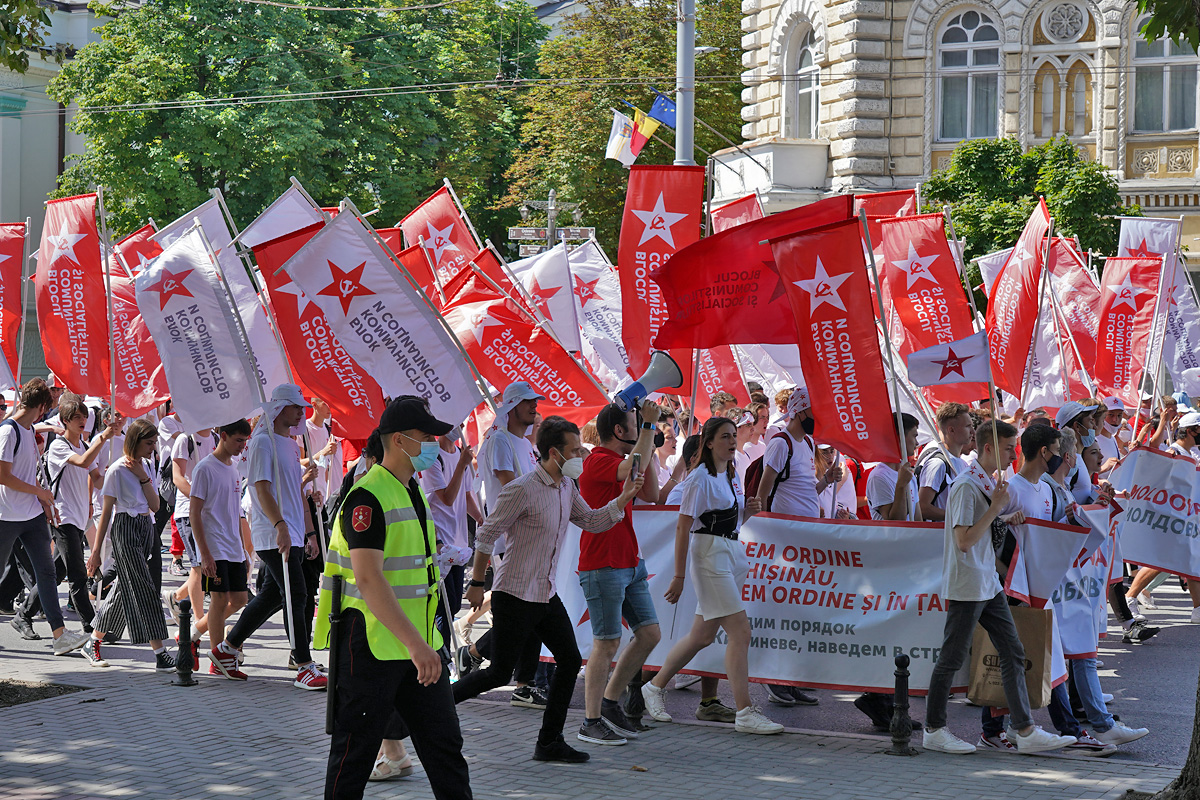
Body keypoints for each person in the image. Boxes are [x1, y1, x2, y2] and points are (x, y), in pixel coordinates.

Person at [455, 416, 643, 763]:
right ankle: (433, 707)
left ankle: (549, 742)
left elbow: (590, 521)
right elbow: (485, 535)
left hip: (545, 593)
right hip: (514, 593)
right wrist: (478, 584)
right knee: (498, 672)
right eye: (575, 450)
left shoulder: (567, 487)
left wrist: (624, 499)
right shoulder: (522, 488)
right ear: (554, 454)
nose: (582, 456)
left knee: (570, 660)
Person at [316, 397, 472, 800]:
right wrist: (417, 645)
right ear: (400, 440)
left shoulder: (412, 491)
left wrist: (428, 641)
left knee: (445, 749)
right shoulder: (366, 497)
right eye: (426, 437)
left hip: (417, 646)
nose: (433, 443)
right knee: (354, 754)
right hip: (372, 646)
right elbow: (369, 580)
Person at [922, 420, 1077, 755]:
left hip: (987, 583)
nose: (1014, 454)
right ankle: (933, 728)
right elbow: (963, 541)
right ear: (989, 447)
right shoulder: (967, 485)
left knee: (1013, 650)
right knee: (951, 658)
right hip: (967, 583)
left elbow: (981, 528)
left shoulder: (985, 481)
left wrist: (1003, 517)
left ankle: (1024, 730)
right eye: (1009, 448)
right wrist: (996, 509)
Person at [640, 416, 783, 735]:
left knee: (702, 635)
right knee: (741, 632)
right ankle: (745, 711)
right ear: (708, 442)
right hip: (709, 556)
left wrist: (749, 512)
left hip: (730, 553)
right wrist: (678, 576)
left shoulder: (730, 473)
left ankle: (654, 686)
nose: (733, 441)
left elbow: (729, 521)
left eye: (734, 436)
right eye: (725, 437)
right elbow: (683, 525)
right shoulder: (699, 478)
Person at [216, 384, 326, 690]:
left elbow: (294, 493)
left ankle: (226, 649)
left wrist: (309, 532)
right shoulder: (263, 441)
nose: (301, 412)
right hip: (273, 533)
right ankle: (303, 665)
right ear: (280, 408)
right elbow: (260, 487)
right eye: (296, 407)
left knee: (275, 595)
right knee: (297, 594)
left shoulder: (290, 444)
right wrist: (279, 525)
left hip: (290, 532)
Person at [576, 402, 663, 745]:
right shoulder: (596, 460)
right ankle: (590, 721)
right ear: (620, 431)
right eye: (636, 423)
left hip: (629, 562)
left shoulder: (625, 457)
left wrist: (649, 438)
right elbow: (628, 470)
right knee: (607, 642)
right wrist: (649, 430)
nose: (642, 425)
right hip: (603, 563)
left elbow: (653, 494)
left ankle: (610, 703)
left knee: (649, 635)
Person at [10, 394, 120, 636]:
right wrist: (103, 438)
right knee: (78, 576)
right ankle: (93, 627)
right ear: (66, 421)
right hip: (64, 517)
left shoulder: (84, 445)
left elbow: (98, 480)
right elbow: (81, 462)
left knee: (56, 573)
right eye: (76, 417)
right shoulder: (60, 446)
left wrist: (117, 474)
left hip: (80, 518)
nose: (82, 420)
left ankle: (23, 615)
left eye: (84, 416)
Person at [469, 381, 547, 709]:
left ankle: (518, 679)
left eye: (535, 401)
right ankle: (510, 675)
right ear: (512, 407)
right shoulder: (500, 440)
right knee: (522, 613)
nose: (534, 406)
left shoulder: (523, 442)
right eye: (528, 402)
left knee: (529, 612)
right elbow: (509, 485)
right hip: (507, 538)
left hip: (526, 537)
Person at [0, 378, 90, 654]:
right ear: (41, 407)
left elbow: (32, 474)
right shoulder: (8, 431)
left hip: (32, 515)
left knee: (48, 572)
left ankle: (59, 634)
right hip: (6, 515)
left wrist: (44, 502)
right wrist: (38, 492)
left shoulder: (28, 430)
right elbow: (3, 476)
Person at [754, 387, 830, 706]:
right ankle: (772, 679)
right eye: (813, 412)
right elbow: (763, 490)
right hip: (784, 541)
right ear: (799, 412)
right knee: (782, 611)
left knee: (798, 611)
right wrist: (764, 533)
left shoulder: (807, 442)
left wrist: (826, 483)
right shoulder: (780, 444)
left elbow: (803, 489)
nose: (818, 418)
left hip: (803, 539)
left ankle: (791, 678)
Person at [84, 420, 176, 670]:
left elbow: (156, 506)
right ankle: (160, 652)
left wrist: (143, 477)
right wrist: (96, 552)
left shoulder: (146, 466)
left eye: (154, 442)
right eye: (149, 443)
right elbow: (105, 513)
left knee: (124, 590)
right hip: (125, 527)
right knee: (145, 589)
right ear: (135, 441)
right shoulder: (115, 470)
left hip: (146, 527)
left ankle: (93, 641)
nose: (153, 447)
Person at [192, 420, 254, 680]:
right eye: (238, 440)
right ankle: (219, 659)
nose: (242, 446)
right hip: (215, 546)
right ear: (224, 436)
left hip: (233, 546)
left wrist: (243, 548)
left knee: (240, 599)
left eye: (244, 441)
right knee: (218, 600)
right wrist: (204, 553)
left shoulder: (234, 469)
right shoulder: (205, 468)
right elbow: (195, 513)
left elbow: (235, 512)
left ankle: (193, 633)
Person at [164, 424, 217, 667]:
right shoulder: (185, 439)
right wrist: (199, 500)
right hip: (189, 512)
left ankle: (176, 597)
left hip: (211, 513)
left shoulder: (216, 437)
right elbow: (177, 477)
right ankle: (197, 622)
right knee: (197, 566)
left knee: (202, 566)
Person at [916, 402, 972, 522]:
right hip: (940, 537)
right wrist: (957, 517)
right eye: (967, 426)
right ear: (951, 430)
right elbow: (922, 507)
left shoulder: (962, 463)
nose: (972, 432)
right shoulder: (937, 464)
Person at [866, 413, 922, 522]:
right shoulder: (878, 477)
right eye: (914, 436)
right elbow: (896, 522)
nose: (917, 443)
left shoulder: (907, 473)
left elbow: (918, 519)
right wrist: (901, 485)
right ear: (899, 437)